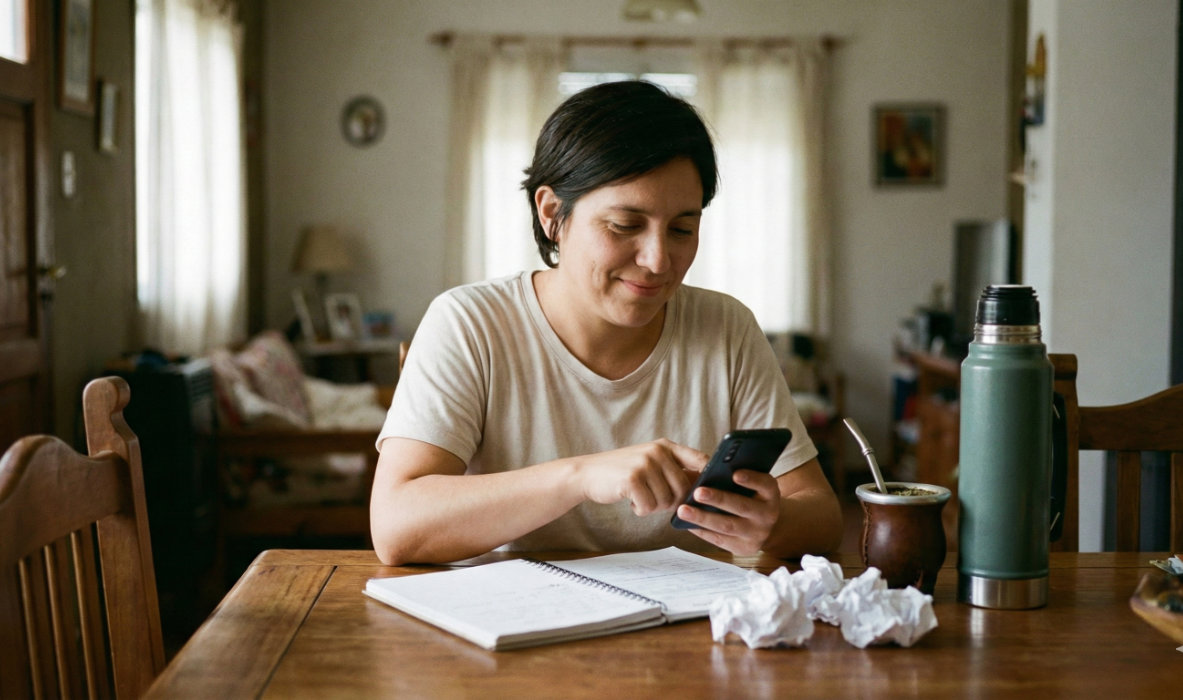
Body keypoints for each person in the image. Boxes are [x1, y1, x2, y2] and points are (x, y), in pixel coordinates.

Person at [371, 80, 842, 565]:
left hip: (687, 628)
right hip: (509, 628)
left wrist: (774, 522)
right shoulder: (468, 324)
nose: (659, 260)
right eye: (624, 226)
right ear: (552, 213)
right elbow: (395, 527)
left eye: (683, 228)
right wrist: (580, 477)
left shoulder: (726, 328)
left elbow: (824, 516)